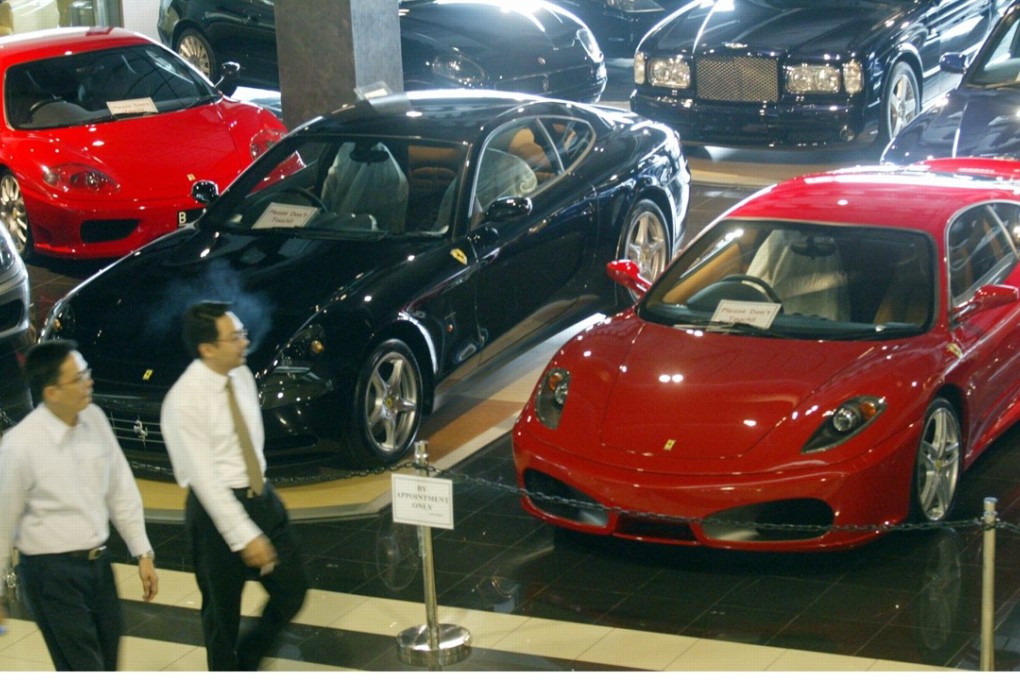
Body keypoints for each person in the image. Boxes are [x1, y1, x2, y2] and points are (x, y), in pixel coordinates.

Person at [161, 301, 307, 671]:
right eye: (235, 337)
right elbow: (205, 481)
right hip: (215, 514)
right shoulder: (183, 401)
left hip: (260, 497)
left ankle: (247, 662)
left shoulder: (240, 375)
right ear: (207, 348)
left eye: (242, 333)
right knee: (221, 618)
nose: (245, 342)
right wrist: (245, 536)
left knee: (292, 591)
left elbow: (250, 443)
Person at [0, 339, 158, 671]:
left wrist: (142, 552)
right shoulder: (20, 446)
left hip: (98, 567)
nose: (89, 382)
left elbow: (120, 488)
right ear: (52, 392)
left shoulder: (96, 419)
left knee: (108, 665)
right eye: (78, 378)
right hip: (50, 575)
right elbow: (2, 520)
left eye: (86, 372)